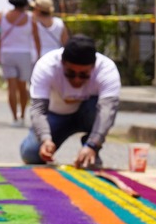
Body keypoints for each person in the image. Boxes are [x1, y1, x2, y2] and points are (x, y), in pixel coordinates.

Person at [21, 37, 119, 169]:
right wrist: (45, 139)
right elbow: (38, 109)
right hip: (56, 114)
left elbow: (108, 111)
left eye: (84, 74)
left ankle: (90, 151)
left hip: (87, 114)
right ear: (62, 63)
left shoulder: (106, 69)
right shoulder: (46, 66)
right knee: (31, 154)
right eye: (70, 73)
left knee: (99, 108)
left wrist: (93, 144)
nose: (77, 80)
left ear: (93, 66)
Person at [0, 0, 45, 123]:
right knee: (22, 87)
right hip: (24, 54)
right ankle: (22, 115)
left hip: (6, 53)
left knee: (11, 87)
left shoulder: (3, 15)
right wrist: (38, 55)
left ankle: (14, 117)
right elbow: (36, 38)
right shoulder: (30, 18)